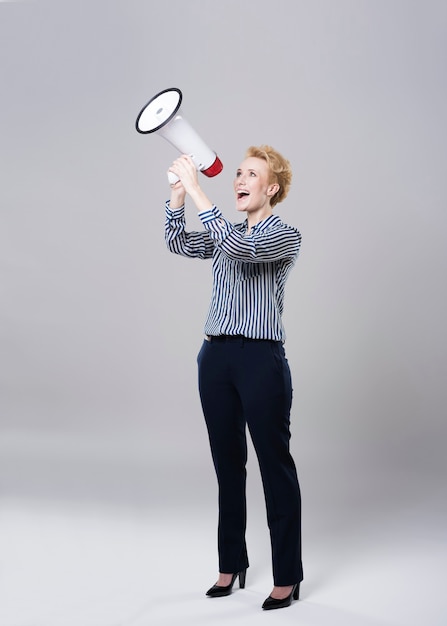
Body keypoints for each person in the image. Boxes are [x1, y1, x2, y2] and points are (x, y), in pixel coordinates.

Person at [164, 145, 303, 610]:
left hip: (261, 360)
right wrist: (178, 197)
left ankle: (287, 575)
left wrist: (202, 194)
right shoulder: (224, 233)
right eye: (238, 173)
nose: (240, 180)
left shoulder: (286, 235)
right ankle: (231, 565)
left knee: (274, 468)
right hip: (216, 359)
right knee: (227, 467)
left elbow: (243, 249)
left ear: (272, 189)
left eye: (251, 175)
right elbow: (179, 242)